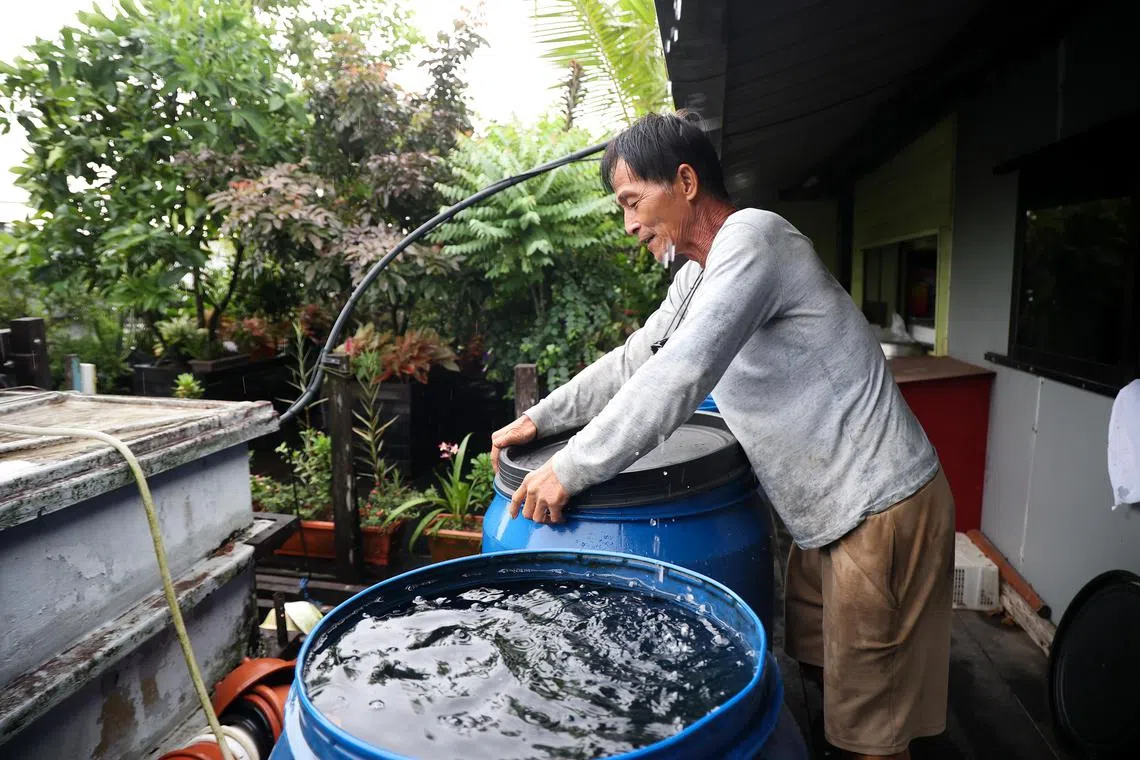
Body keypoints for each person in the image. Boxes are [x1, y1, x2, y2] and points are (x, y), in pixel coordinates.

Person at [489, 111, 954, 760]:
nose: (627, 223)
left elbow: (682, 372)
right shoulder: (697, 276)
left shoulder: (754, 239)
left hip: (879, 507)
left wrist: (571, 468)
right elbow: (639, 358)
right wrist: (542, 419)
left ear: (684, 181)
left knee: (870, 737)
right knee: (821, 676)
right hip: (828, 519)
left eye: (632, 201)